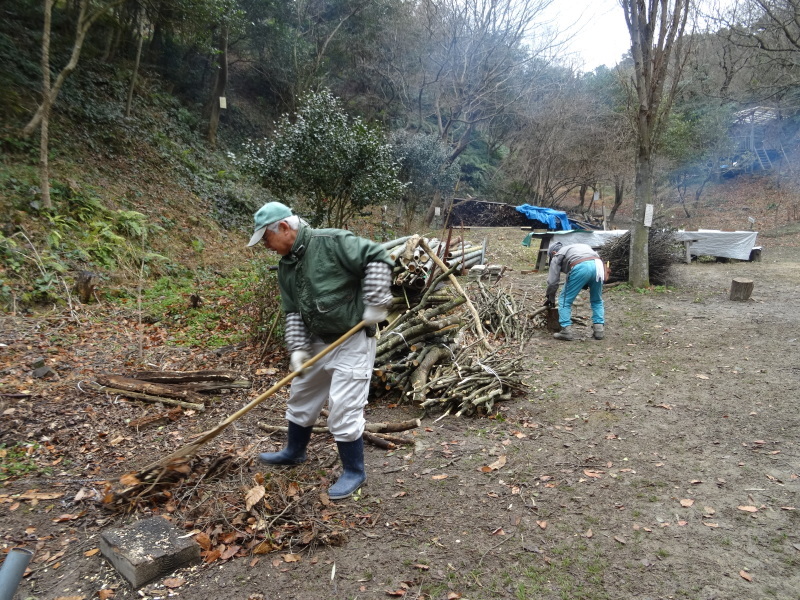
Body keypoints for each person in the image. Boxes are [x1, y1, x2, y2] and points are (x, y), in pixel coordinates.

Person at [247, 201, 394, 499]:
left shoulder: (332, 241)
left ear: (285, 228)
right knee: (301, 395)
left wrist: (376, 300)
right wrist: (298, 349)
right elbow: (291, 311)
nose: (266, 245)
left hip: (352, 339)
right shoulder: (286, 265)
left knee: (343, 407)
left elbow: (377, 255)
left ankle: (354, 471)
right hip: (316, 339)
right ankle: (294, 451)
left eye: (266, 238)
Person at [544, 241, 605, 341]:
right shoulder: (578, 247)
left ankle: (566, 331)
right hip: (598, 265)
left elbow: (552, 282)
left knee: (565, 300)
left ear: (553, 253)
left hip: (581, 266)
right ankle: (599, 330)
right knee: (597, 299)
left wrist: (550, 298)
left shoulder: (557, 255)